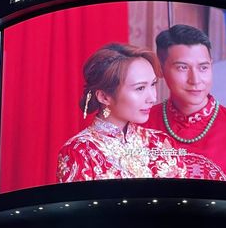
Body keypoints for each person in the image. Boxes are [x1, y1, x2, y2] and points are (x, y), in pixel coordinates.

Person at [145, 24, 226, 187]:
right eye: (182, 67)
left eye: (203, 67)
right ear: (160, 69)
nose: (195, 80)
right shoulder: (139, 126)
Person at [57, 43, 185, 182]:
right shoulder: (80, 152)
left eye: (153, 84)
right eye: (140, 88)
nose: (152, 98)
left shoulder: (161, 143)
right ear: (104, 97)